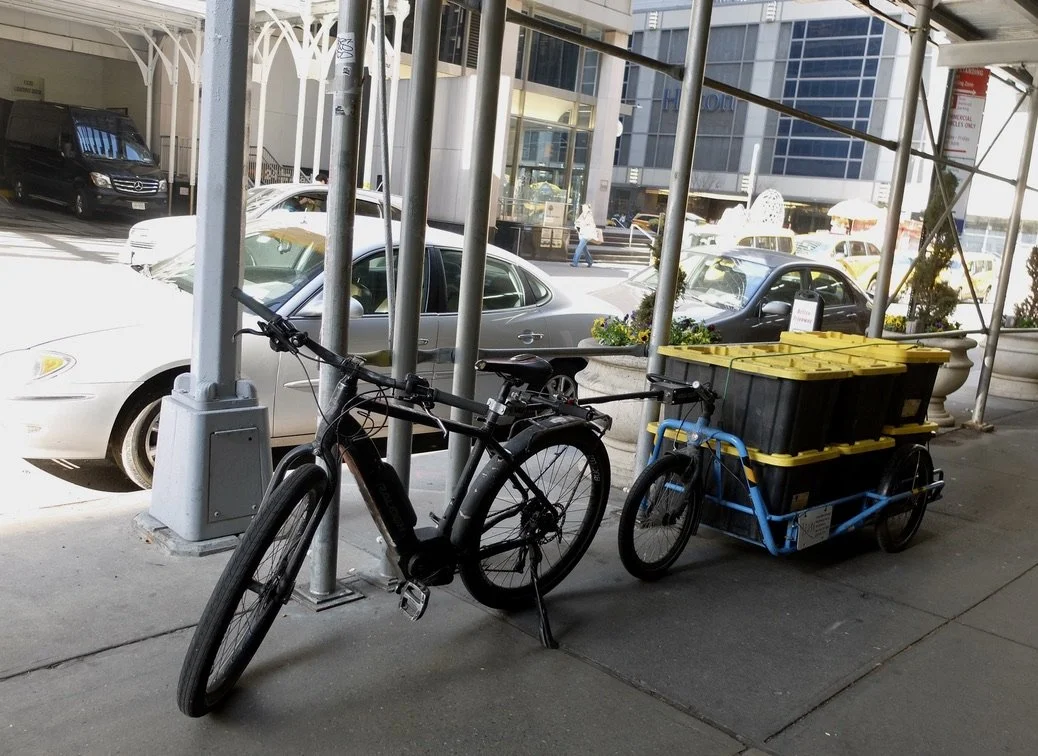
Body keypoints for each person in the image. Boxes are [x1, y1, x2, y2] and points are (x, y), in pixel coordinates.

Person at [572, 203, 597, 268]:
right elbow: (578, 221)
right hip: (582, 234)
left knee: (579, 248)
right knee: (584, 249)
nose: (583, 208)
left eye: (584, 207)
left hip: (586, 234)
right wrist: (577, 224)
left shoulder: (589, 215)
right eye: (583, 207)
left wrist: (581, 224)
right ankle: (590, 261)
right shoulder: (583, 214)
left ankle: (575, 262)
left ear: (587, 208)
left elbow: (589, 224)